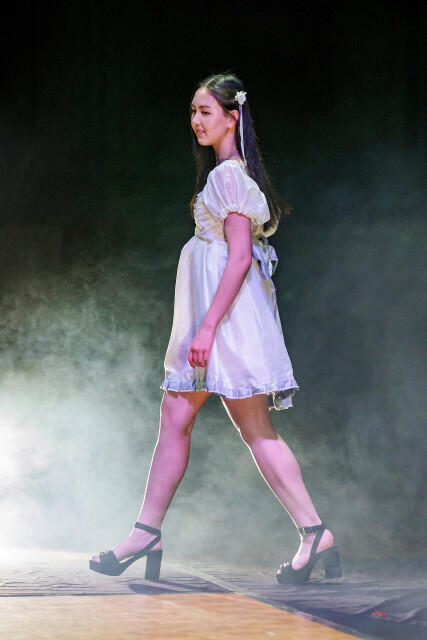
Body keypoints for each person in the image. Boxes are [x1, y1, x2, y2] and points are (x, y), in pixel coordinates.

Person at [89, 73, 341, 584]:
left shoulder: (228, 176)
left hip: (222, 322)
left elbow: (240, 256)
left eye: (206, 111)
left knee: (210, 422)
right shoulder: (231, 174)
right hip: (223, 319)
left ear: (232, 117)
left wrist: (205, 330)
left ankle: (150, 533)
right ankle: (312, 533)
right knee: (220, 424)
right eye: (193, 111)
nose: (196, 120)